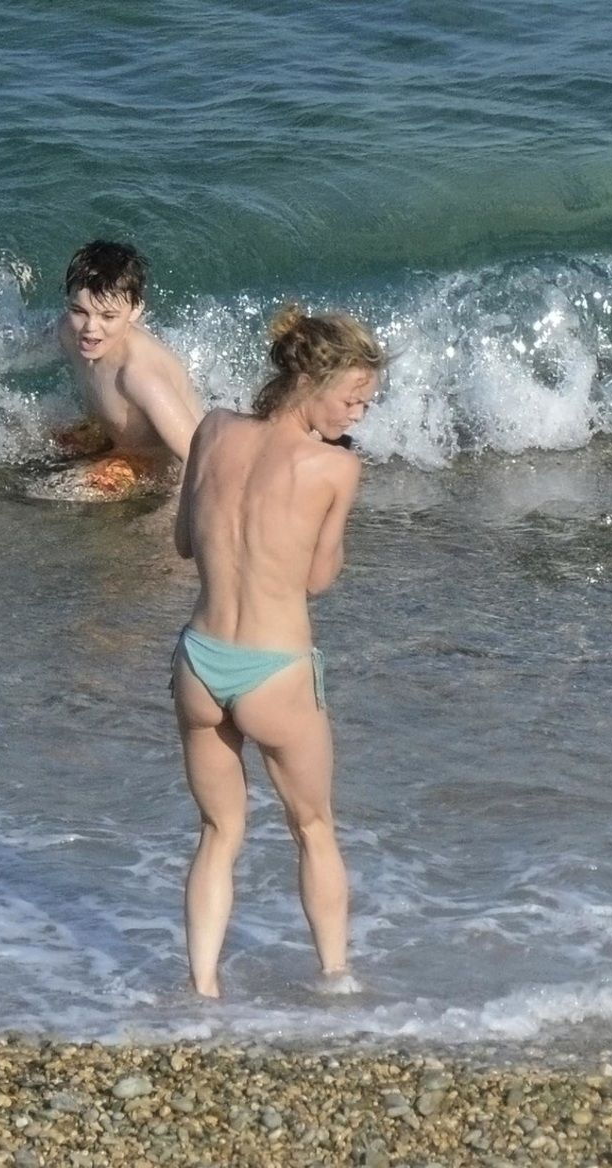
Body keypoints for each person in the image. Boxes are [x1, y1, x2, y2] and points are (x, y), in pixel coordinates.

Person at [171, 304, 387, 997]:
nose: (358, 413)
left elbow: (184, 541)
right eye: (352, 398)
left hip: (199, 661)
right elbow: (317, 579)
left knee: (218, 831)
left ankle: (202, 989)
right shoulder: (335, 467)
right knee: (314, 827)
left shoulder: (213, 428)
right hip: (276, 672)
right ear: (309, 381)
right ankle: (336, 980)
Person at [56, 240, 203, 495]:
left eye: (108, 316)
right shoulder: (68, 330)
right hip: (109, 436)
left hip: (150, 460)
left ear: (134, 312)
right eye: (80, 311)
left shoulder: (137, 374)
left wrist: (167, 514)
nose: (90, 328)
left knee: (60, 490)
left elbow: (196, 454)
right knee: (23, 448)